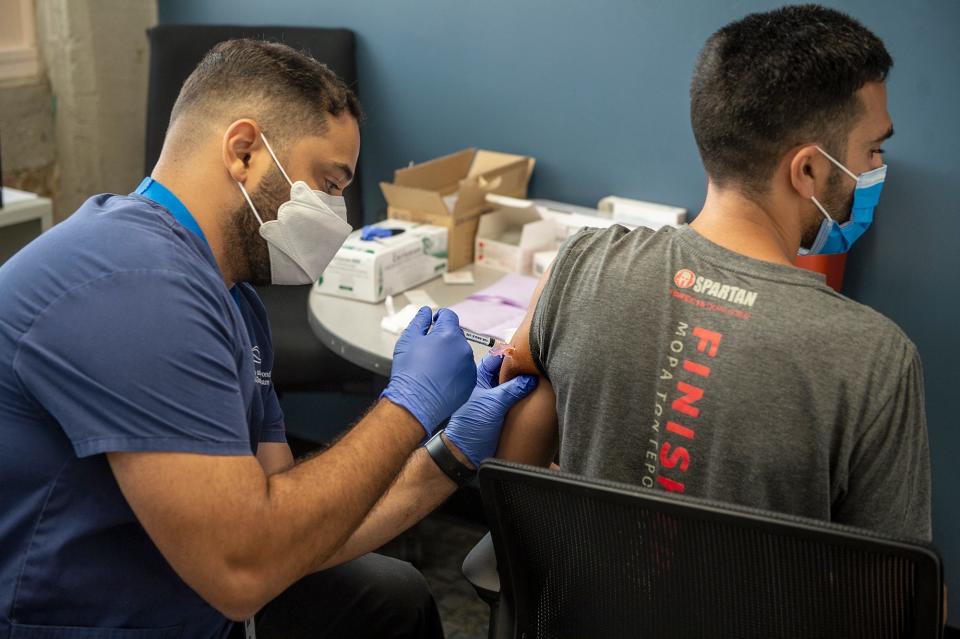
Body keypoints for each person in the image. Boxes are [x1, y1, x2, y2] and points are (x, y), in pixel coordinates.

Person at [0, 40, 535, 637]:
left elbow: (293, 520)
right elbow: (246, 569)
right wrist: (409, 406)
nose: (338, 213)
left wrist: (450, 454)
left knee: (391, 598)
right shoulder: (132, 283)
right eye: (329, 184)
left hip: (187, 581)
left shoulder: (231, 298)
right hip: (85, 617)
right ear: (245, 150)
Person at [496, 5, 932, 542]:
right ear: (809, 170)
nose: (875, 170)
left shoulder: (580, 261)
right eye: (873, 150)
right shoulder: (875, 359)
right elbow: (889, 597)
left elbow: (515, 447)